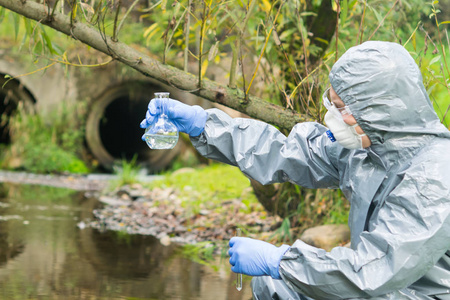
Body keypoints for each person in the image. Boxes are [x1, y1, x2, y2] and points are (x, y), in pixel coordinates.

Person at [140, 41, 450, 299]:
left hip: (410, 291)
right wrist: (201, 124)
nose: (334, 117)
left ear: (378, 110)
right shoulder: (369, 149)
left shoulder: (436, 175)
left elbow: (376, 268)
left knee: (285, 275)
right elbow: (285, 152)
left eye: (341, 108)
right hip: (384, 287)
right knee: (276, 285)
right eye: (333, 104)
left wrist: (281, 260)